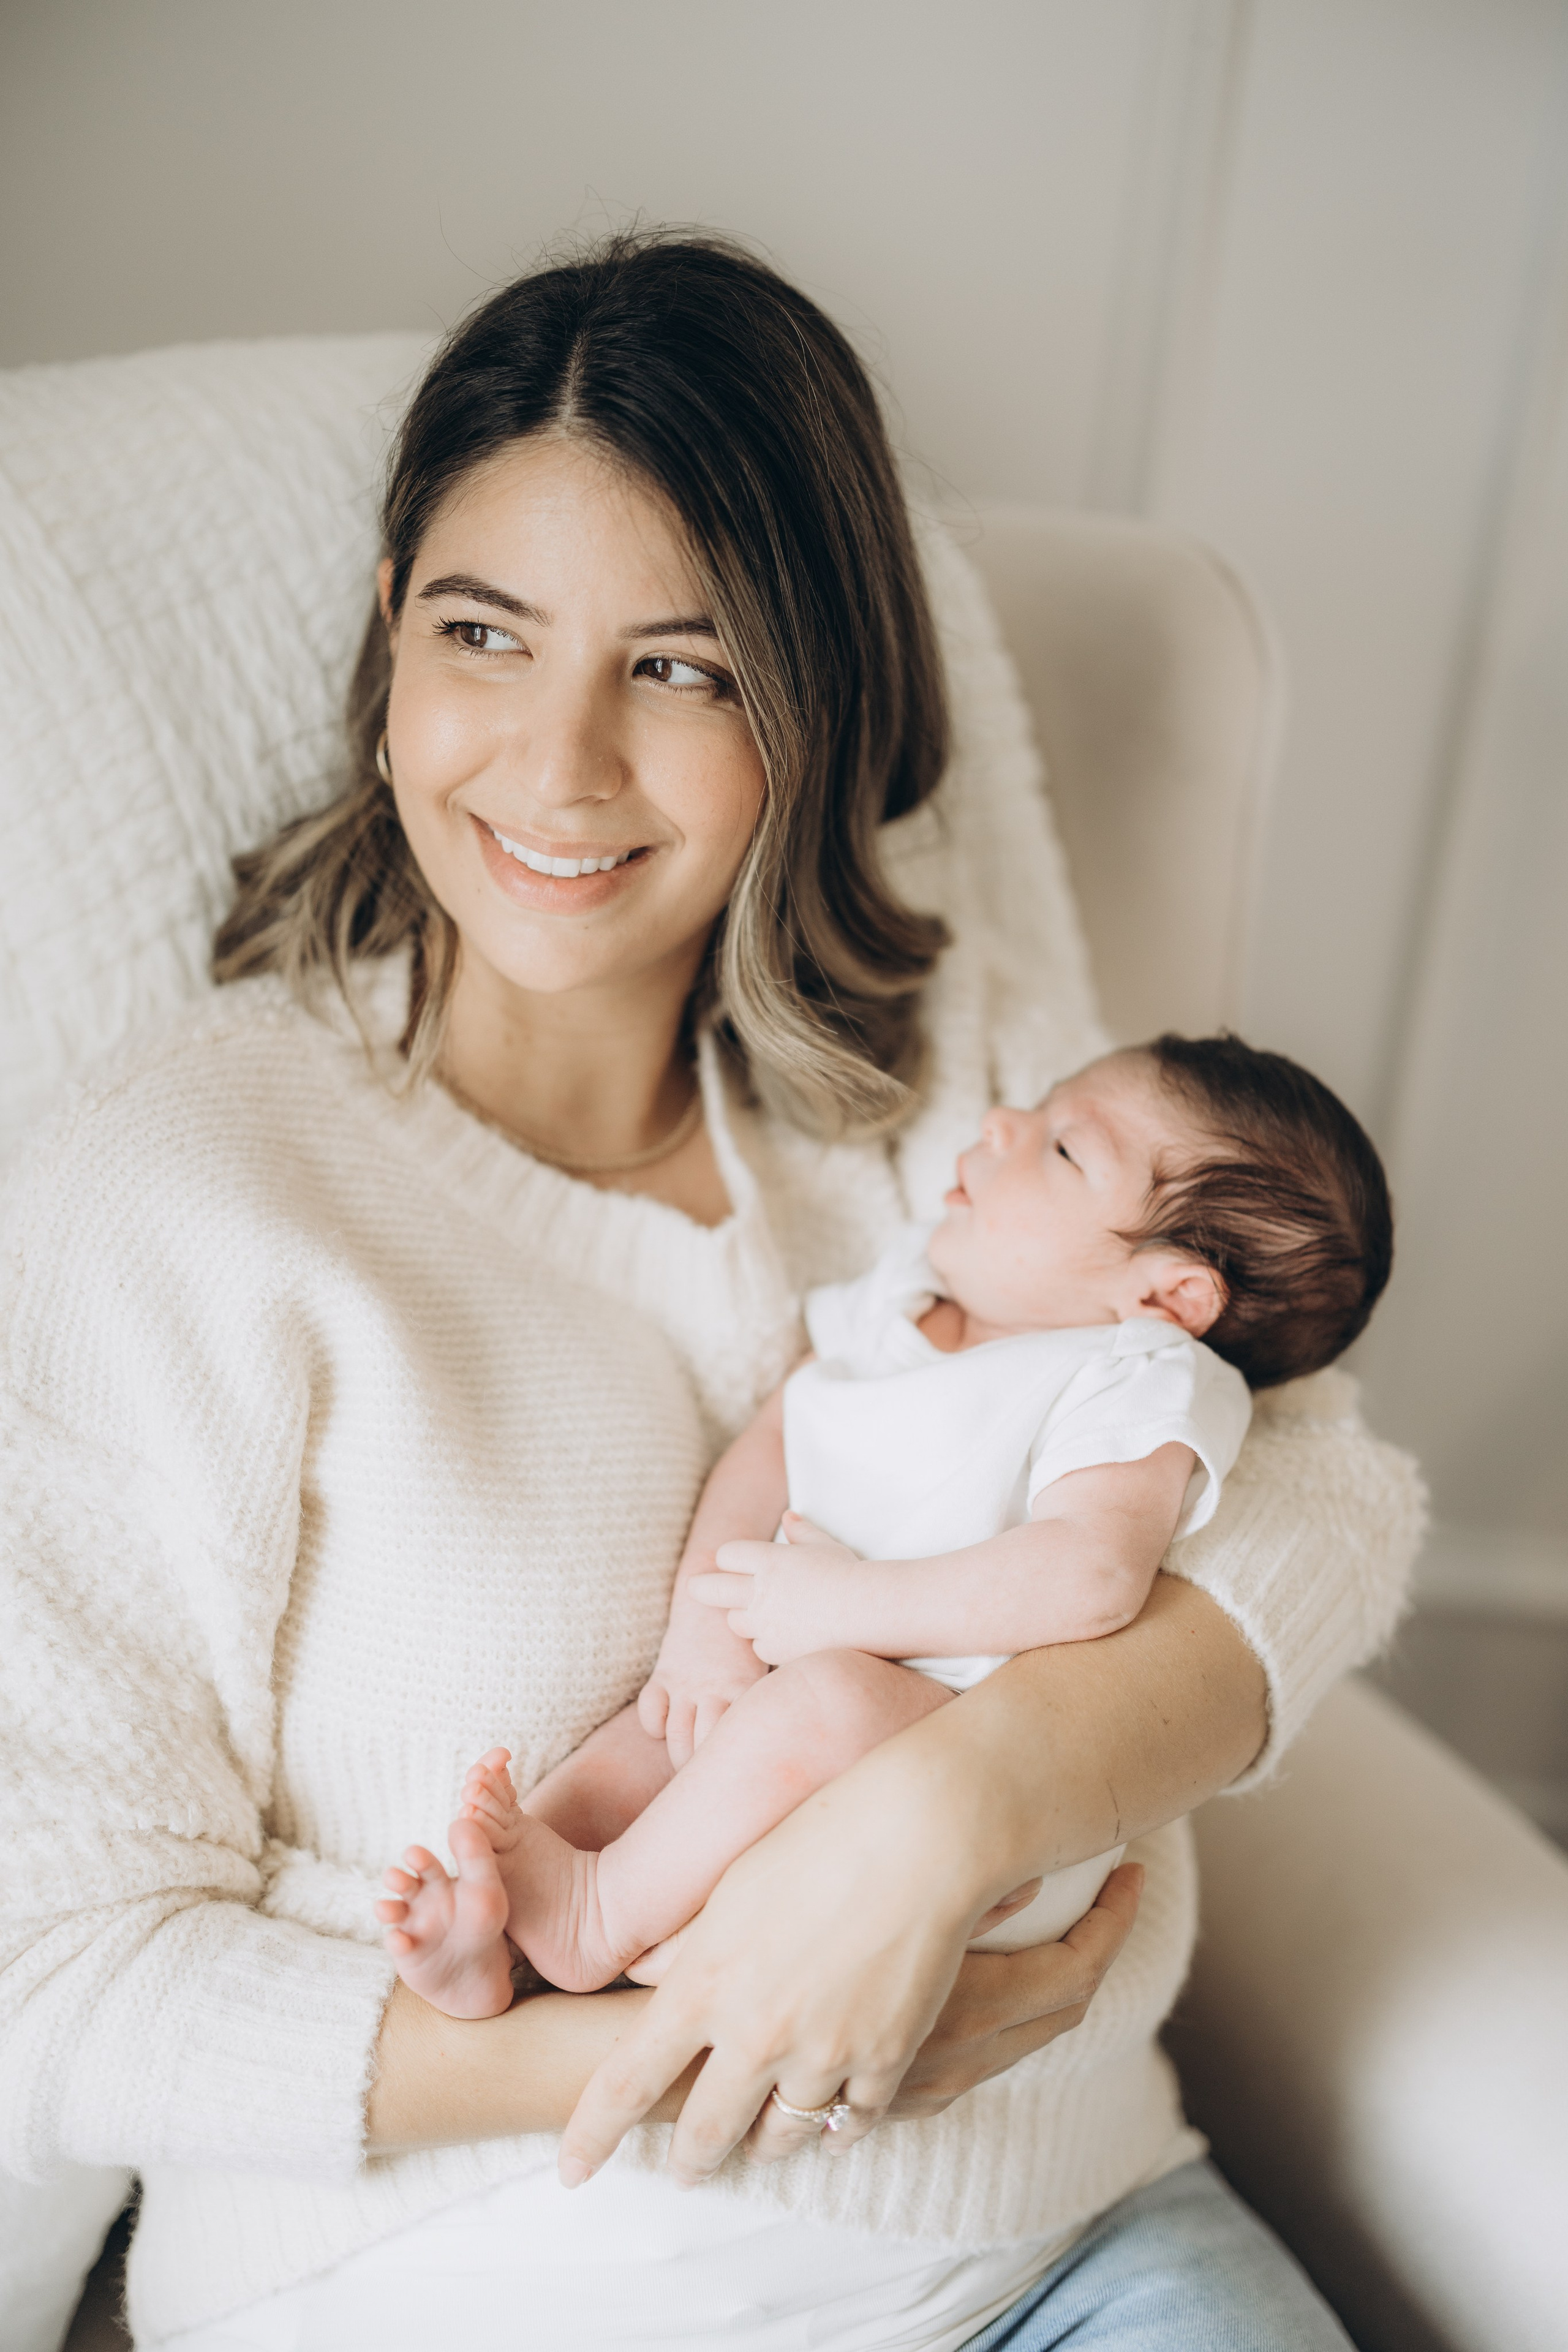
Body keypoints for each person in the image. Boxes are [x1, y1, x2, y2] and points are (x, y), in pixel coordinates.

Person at [0, 233, 1420, 2351]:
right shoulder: (176, 1197)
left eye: (681, 667)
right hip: (480, 2279)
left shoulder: (958, 1078)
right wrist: (735, 2026)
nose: (560, 767)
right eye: (485, 636)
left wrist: (956, 1816)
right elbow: (57, 1979)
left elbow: (1312, 1488)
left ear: (812, 701)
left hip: (1063, 2244)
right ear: (391, 635)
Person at [380, 1033, 1390, 2015]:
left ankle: (595, 1920)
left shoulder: (1136, 1374)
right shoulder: (904, 1291)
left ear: (1165, 1294)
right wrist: (705, 1630)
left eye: (1065, 1146)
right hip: (798, 1685)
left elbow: (1092, 1575)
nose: (1003, 1122)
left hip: (968, 1762)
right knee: (656, 1734)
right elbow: (776, 1440)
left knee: (816, 1706)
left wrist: (845, 1609)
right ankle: (498, 1936)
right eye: (1035, 1110)